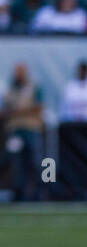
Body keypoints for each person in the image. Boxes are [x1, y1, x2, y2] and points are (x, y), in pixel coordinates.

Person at [1, 63, 44, 201]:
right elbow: (5, 111)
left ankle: (40, 193)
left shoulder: (34, 87)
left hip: (31, 129)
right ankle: (20, 194)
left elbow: (38, 108)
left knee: (36, 162)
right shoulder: (11, 89)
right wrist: (20, 111)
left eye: (20, 72)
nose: (17, 74)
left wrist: (17, 112)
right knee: (16, 163)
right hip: (15, 131)